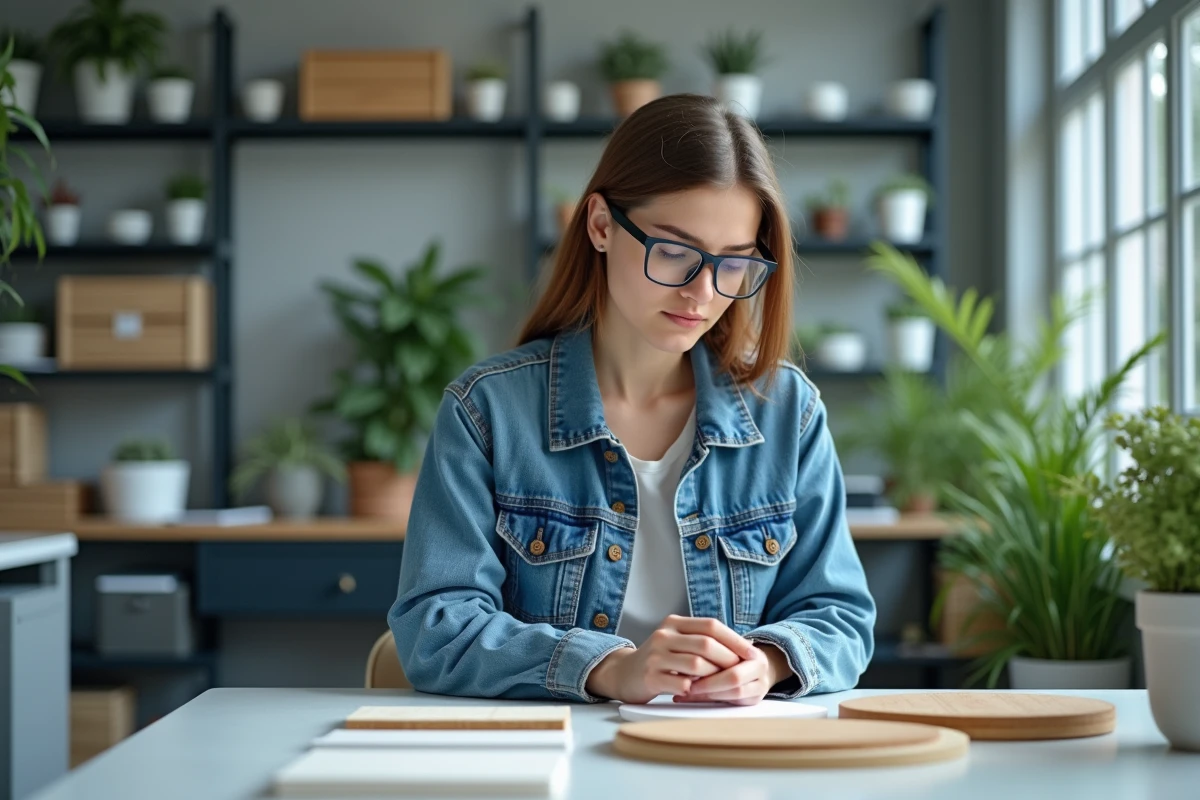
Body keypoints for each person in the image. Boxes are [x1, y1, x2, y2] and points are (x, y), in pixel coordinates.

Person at [389, 93, 876, 705]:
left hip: (727, 748)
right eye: (673, 252)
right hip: (557, 747)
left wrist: (769, 663)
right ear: (600, 225)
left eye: (733, 264)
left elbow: (841, 617)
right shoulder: (487, 412)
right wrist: (609, 669)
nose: (703, 293)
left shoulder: (788, 413)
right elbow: (436, 629)